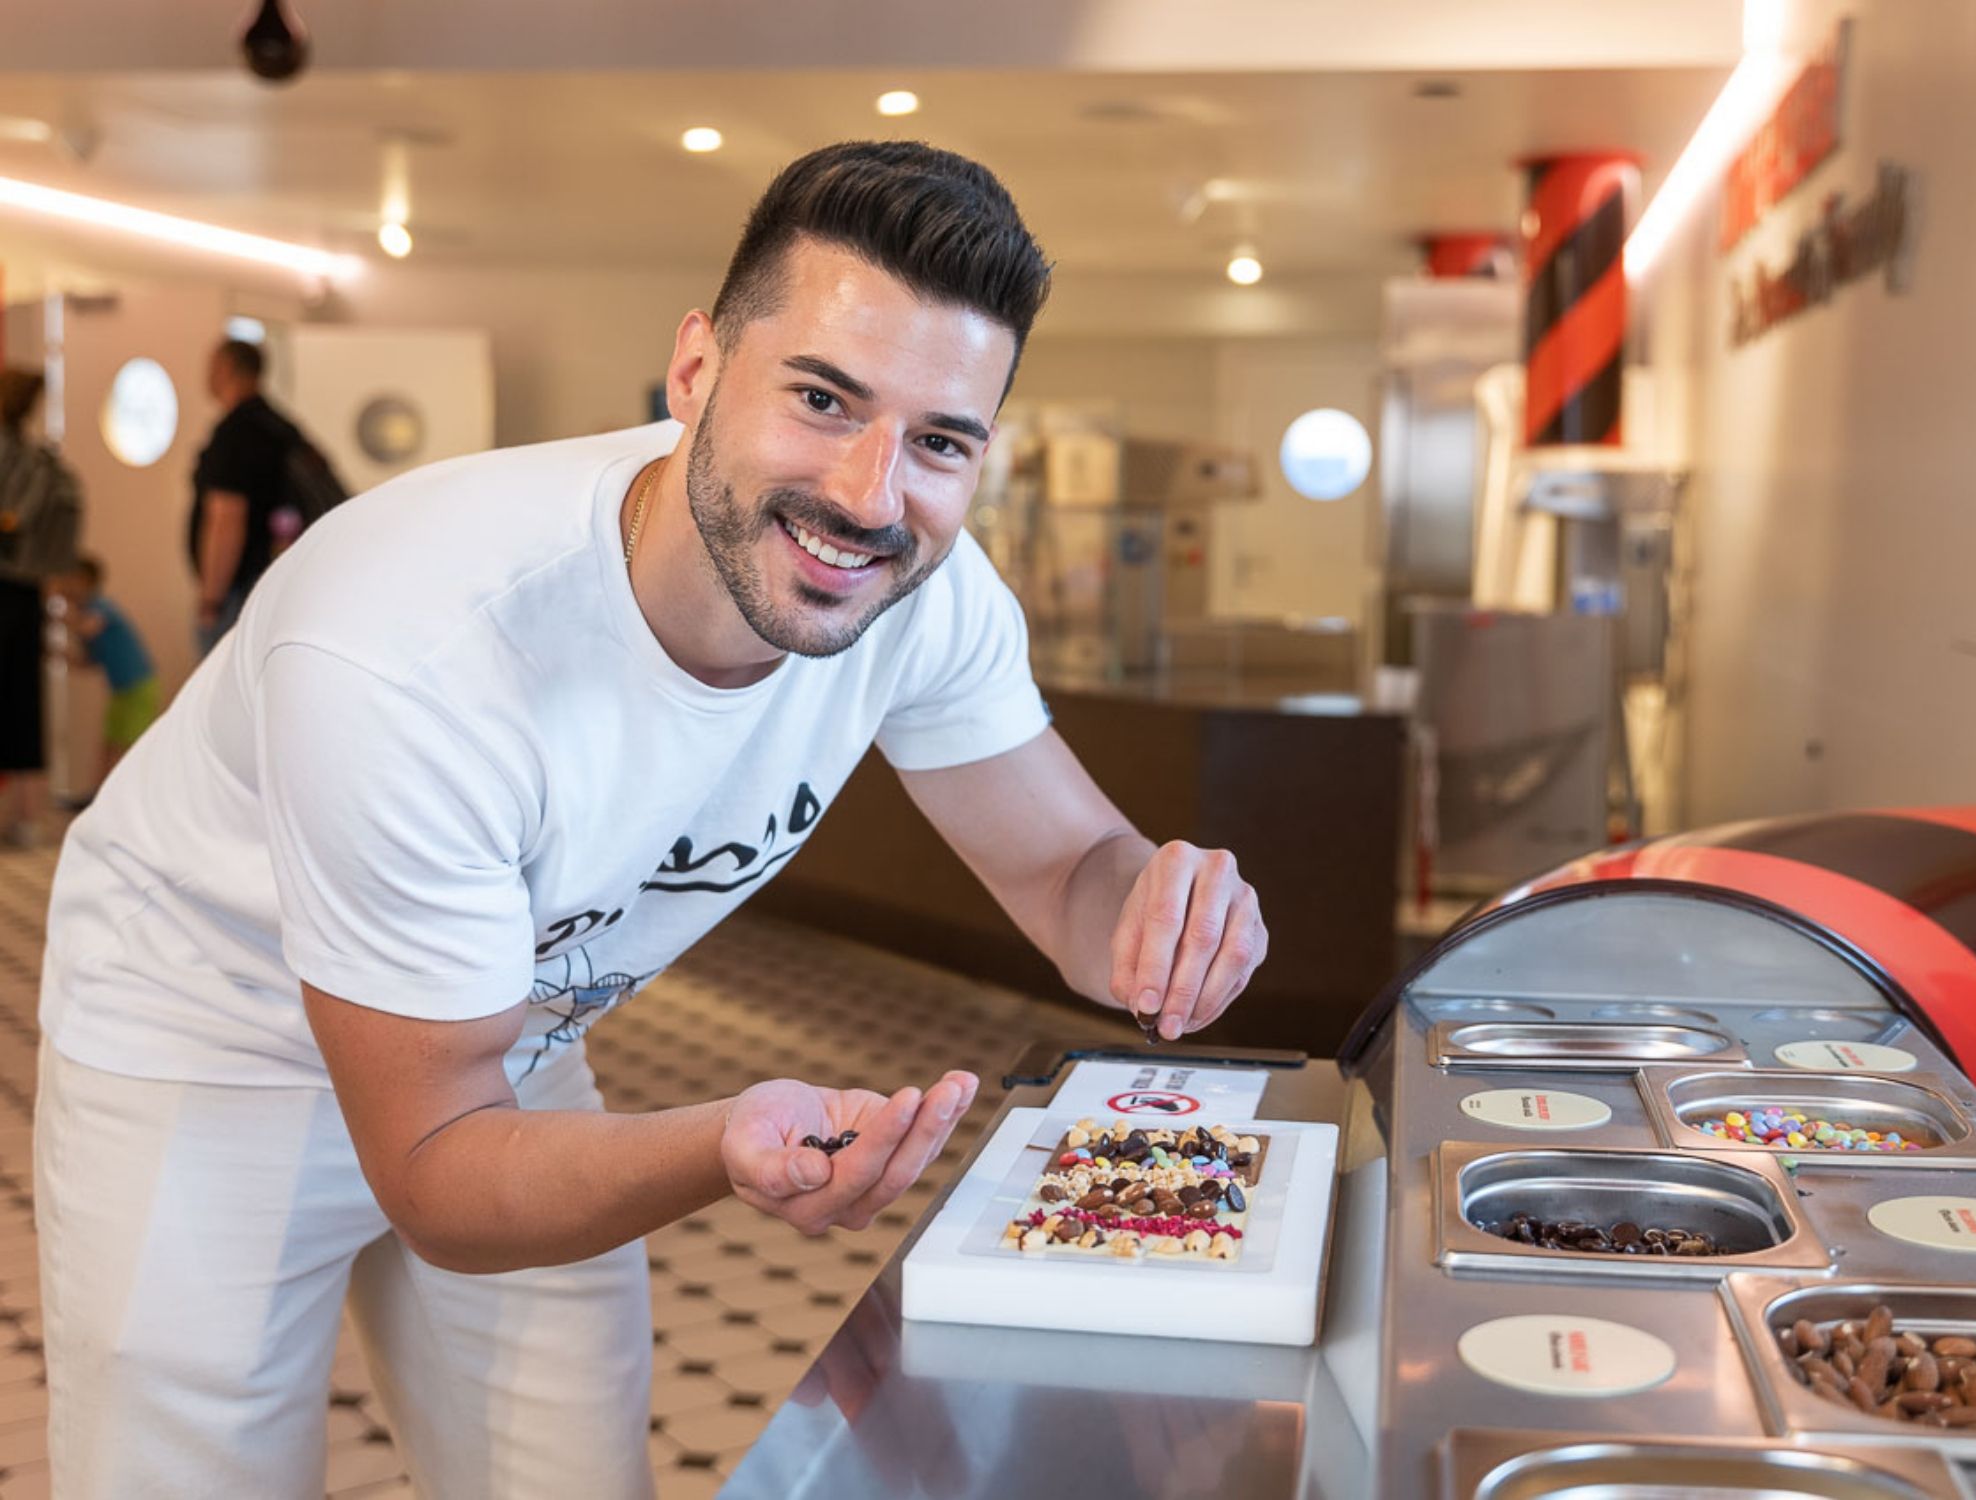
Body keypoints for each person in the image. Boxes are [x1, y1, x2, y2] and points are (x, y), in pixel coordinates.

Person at [38, 141, 1270, 1498]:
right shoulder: (413, 654)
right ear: (695, 372)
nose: (870, 496)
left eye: (939, 441)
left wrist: (1163, 911)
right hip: (209, 1041)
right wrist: (721, 1141)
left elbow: (1069, 868)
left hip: (506, 1036)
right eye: (821, 397)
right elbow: (439, 1172)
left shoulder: (927, 593)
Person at [186, 336, 307, 654]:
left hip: (239, 591)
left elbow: (226, 519)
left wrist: (211, 599)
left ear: (225, 369)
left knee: (224, 692)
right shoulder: (279, 426)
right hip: (275, 583)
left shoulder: (235, 433)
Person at [0, 367, 80, 846]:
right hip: (19, 589)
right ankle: (25, 816)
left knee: (20, 700)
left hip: (14, 589)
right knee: (22, 700)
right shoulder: (29, 458)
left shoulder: (26, 457)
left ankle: (24, 816)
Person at [56, 554, 160, 784]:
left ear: (85, 581)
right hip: (121, 690)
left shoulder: (100, 606)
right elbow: (89, 660)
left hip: (138, 686)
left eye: (69, 580)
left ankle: (129, 796)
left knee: (130, 746)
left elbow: (88, 627)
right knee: (109, 745)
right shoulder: (86, 613)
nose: (64, 586)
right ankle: (97, 798)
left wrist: (56, 615)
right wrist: (59, 655)